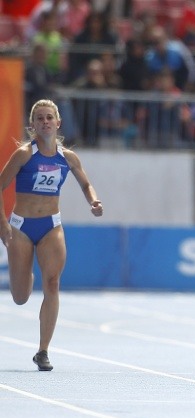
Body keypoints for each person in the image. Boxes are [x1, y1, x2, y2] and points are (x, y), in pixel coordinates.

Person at [0, 99, 104, 371]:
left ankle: (43, 350)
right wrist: (3, 223)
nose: (45, 122)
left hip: (51, 227)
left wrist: (94, 201)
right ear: (33, 125)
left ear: (58, 123)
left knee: (53, 283)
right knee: (20, 297)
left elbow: (86, 184)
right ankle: (27, 273)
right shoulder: (24, 154)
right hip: (21, 228)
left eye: (49, 118)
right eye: (40, 118)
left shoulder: (68, 158)